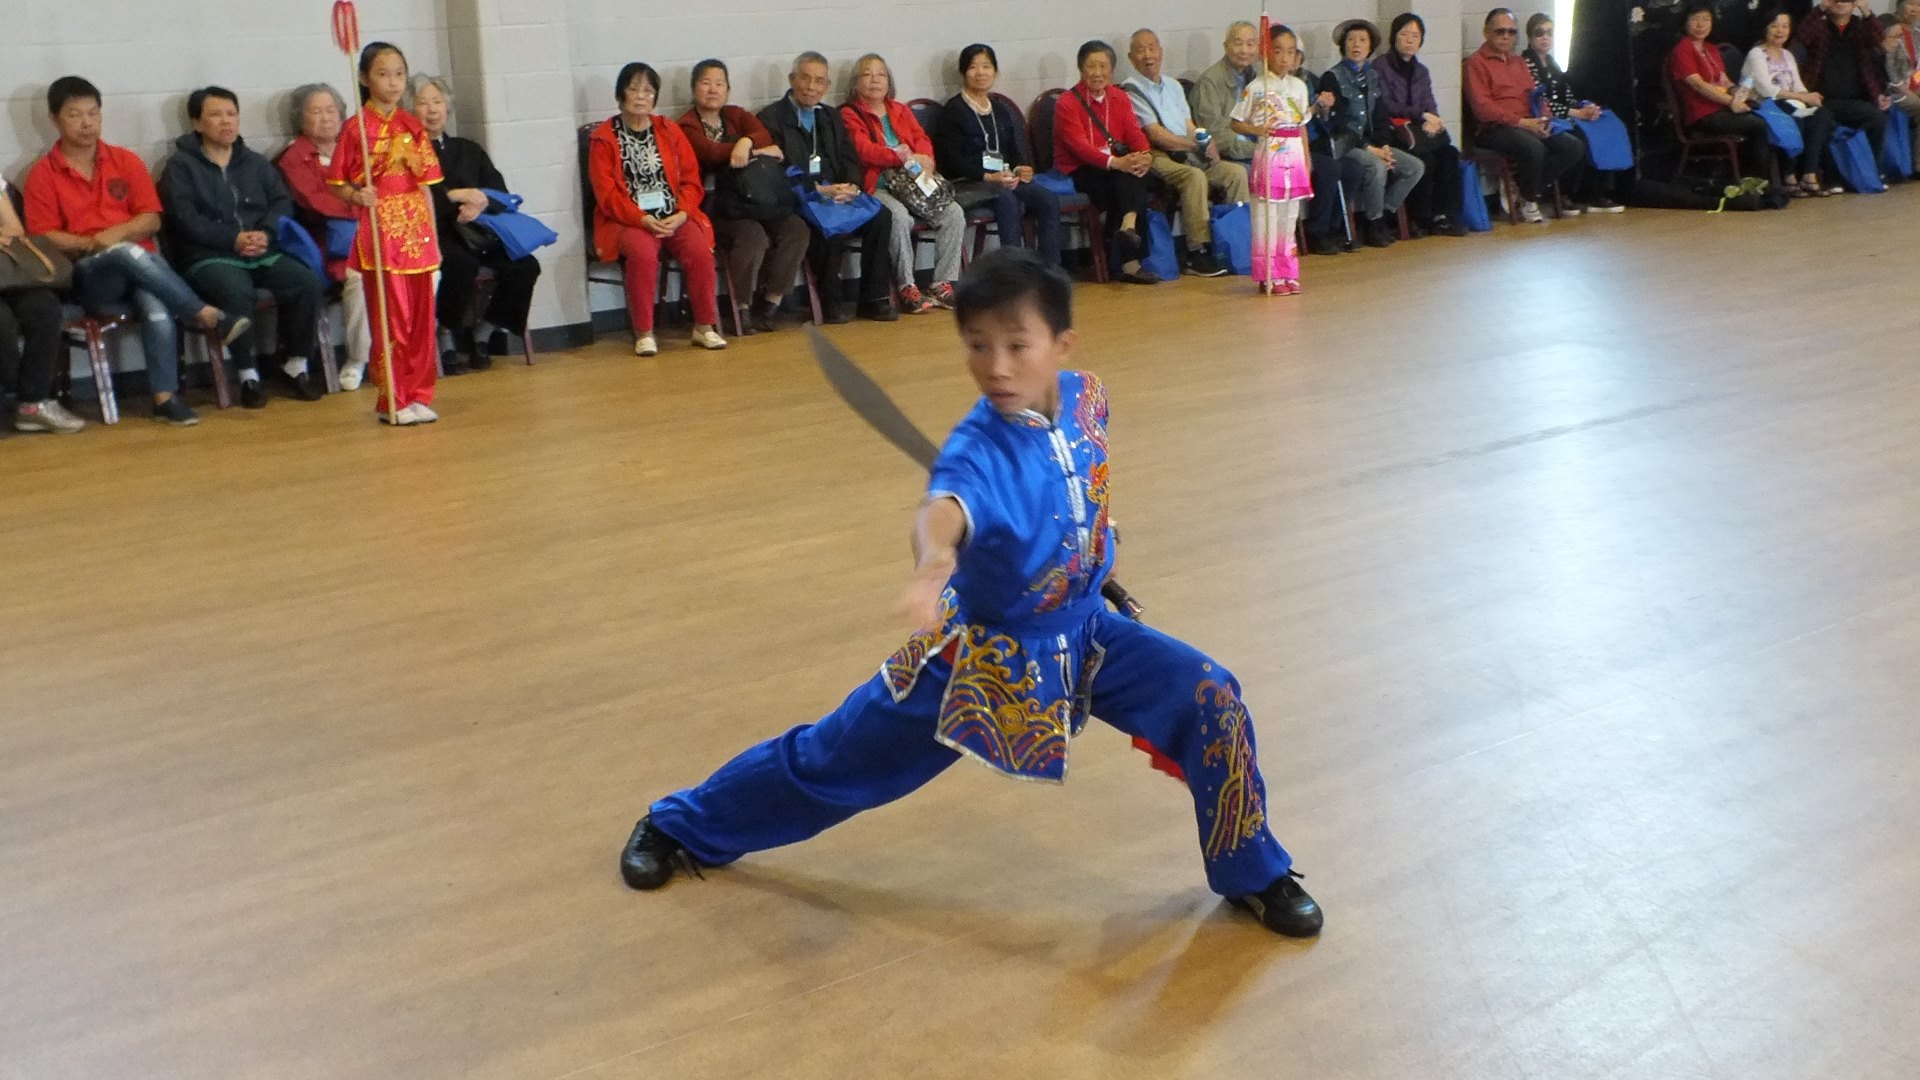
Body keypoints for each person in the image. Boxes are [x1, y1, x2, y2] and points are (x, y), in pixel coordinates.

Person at [618, 245, 1325, 941]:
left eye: (1017, 345)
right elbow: (943, 510)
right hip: (986, 652)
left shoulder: (1088, 399)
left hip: (1085, 631)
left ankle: (1253, 872)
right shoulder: (974, 448)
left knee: (1211, 694)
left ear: (1061, 344)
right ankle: (683, 822)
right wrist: (931, 568)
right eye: (978, 346)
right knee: (836, 760)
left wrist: (1089, 557)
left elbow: (1080, 492)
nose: (996, 367)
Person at [25, 76, 238, 427]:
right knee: (126, 255)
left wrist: (118, 233)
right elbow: (41, 235)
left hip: (142, 267)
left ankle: (164, 398)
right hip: (89, 275)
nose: (86, 123)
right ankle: (203, 312)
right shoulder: (43, 174)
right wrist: (90, 243)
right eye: (75, 115)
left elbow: (151, 218)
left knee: (155, 307)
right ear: (54, 120)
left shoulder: (124, 160)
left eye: (93, 113)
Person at [158, 86, 326, 410]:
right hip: (209, 255)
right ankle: (248, 375)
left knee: (305, 281)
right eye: (215, 114)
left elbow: (281, 202)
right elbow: (184, 218)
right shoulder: (180, 167)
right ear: (197, 123)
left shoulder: (255, 163)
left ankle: (296, 364)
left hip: (261, 249)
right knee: (235, 291)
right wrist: (230, 240)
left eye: (231, 114)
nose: (226, 122)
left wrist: (264, 232)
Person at [328, 41, 446, 426]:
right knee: (392, 319)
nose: (394, 83)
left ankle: (418, 393)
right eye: (383, 74)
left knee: (421, 320)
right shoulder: (355, 129)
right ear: (364, 78)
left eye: (399, 74)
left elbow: (425, 184)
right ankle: (392, 398)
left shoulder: (412, 125)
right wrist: (356, 195)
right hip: (380, 230)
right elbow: (337, 183)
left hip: (417, 230)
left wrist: (435, 239)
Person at [587, 62, 729, 358]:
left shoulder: (669, 130)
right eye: (634, 89)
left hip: (674, 214)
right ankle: (644, 332)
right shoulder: (603, 138)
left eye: (648, 91)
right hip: (628, 219)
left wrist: (682, 212)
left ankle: (704, 326)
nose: (641, 96)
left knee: (700, 249)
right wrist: (643, 219)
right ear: (620, 95)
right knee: (642, 254)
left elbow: (692, 181)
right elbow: (607, 195)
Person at [409, 75, 542, 374]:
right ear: (410, 111)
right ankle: (446, 332)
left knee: (525, 266)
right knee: (460, 264)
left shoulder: (468, 149)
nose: (432, 110)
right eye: (423, 103)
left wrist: (481, 199)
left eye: (438, 102)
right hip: (439, 232)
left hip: (481, 230)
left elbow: (501, 193)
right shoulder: (409, 154)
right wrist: (454, 196)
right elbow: (413, 199)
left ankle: (484, 331)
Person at [758, 52, 898, 324]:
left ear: (827, 86)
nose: (811, 86)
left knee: (882, 217)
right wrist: (818, 191)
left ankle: (873, 298)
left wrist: (852, 187)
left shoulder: (831, 117)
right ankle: (830, 301)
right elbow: (775, 173)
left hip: (838, 193)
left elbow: (849, 158)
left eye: (819, 81)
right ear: (792, 79)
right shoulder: (771, 118)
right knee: (825, 224)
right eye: (805, 78)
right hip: (800, 198)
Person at [676, 59, 811, 334]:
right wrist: (757, 150)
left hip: (755, 198)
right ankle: (742, 306)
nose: (713, 90)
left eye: (719, 83)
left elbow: (763, 133)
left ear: (727, 89)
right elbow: (711, 153)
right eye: (705, 83)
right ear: (693, 89)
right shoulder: (686, 125)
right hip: (715, 205)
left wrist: (747, 142)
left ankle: (771, 302)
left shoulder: (736, 115)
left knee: (796, 229)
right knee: (753, 237)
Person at [1192, 23, 1348, 257]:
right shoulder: (1212, 82)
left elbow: (1298, 122)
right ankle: (1246, 252)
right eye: (1238, 43)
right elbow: (1219, 133)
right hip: (1232, 155)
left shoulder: (1268, 77)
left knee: (1327, 168)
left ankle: (1316, 235)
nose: (1244, 50)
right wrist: (1259, 147)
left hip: (1279, 149)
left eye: (1250, 44)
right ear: (1225, 46)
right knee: (1257, 194)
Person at [841, 53, 968, 314]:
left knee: (953, 212)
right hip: (878, 184)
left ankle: (942, 283)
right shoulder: (849, 113)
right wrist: (902, 156)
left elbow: (921, 139)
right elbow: (864, 150)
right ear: (855, 83)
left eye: (881, 74)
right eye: (867, 74)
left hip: (912, 182)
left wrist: (925, 159)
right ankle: (906, 286)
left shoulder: (899, 110)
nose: (875, 80)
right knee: (898, 217)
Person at [1124, 28, 1247, 276]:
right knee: (1194, 177)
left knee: (1235, 172)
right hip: (1155, 155)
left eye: (1152, 48)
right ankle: (1196, 251)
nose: (1148, 55)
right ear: (1131, 57)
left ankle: (1235, 244)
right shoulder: (1130, 89)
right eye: (1140, 50)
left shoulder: (1173, 86)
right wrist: (1193, 147)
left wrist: (1206, 142)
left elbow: (1189, 126)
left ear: (1161, 52)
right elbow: (1155, 134)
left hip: (1187, 152)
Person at [277, 83, 373, 390]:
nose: (326, 118)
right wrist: (359, 202)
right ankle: (359, 358)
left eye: (331, 110)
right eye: (316, 112)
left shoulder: (360, 148)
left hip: (375, 235)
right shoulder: (293, 158)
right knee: (360, 277)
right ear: (300, 118)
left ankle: (404, 354)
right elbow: (316, 202)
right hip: (330, 246)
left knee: (421, 271)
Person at [935, 44, 1063, 267]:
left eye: (986, 66)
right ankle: (1013, 271)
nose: (980, 73)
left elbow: (1013, 151)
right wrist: (988, 177)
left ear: (995, 71)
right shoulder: (953, 110)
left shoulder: (1000, 109)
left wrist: (1020, 170)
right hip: (969, 182)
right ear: (963, 73)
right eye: (974, 67)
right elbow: (952, 160)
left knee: (1047, 199)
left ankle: (1049, 269)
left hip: (1003, 179)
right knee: (1007, 200)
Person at [1054, 41, 1160, 285]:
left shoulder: (1120, 97)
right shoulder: (1067, 102)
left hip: (1116, 167)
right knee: (1128, 178)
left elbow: (1135, 134)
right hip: (1079, 169)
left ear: (1112, 70)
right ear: (1081, 69)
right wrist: (1117, 162)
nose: (1097, 72)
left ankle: (1127, 228)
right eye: (1091, 66)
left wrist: (1145, 155)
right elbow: (1079, 148)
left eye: (1103, 66)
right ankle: (1129, 258)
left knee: (1135, 173)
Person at [1466, 8, 1587, 223]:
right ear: (1486, 32)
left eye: (1511, 32)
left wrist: (1544, 119)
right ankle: (1530, 198)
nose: (1506, 36)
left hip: (1529, 122)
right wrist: (1522, 123)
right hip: (1495, 128)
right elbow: (1482, 107)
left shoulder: (1518, 62)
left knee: (1572, 146)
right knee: (1533, 147)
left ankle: (1525, 189)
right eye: (1500, 31)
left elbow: (1536, 96)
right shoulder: (1477, 62)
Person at [1320, 19, 1426, 247]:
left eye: (1362, 40)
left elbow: (1380, 116)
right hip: (1347, 145)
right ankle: (1373, 222)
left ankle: (1385, 213)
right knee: (1375, 165)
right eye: (1350, 40)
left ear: (1370, 47)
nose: (1356, 44)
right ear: (1343, 45)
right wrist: (1371, 149)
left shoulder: (1373, 77)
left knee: (1414, 167)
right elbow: (1338, 124)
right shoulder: (1332, 77)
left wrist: (1385, 146)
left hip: (1373, 144)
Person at [1231, 25, 1315, 295]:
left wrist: (1307, 157)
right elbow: (1236, 122)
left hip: (1294, 154)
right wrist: (1257, 130)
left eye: (1290, 52)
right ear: (1267, 52)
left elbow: (1301, 125)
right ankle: (1269, 274)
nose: (1284, 58)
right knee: (1267, 215)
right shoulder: (1257, 87)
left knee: (1289, 216)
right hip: (1269, 152)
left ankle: (1288, 271)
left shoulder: (1299, 86)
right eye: (1278, 51)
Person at [0, 177, 85, 434]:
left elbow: (14, 228)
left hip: (6, 272)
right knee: (2, 321)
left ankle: (32, 405)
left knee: (44, 309)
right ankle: (13, 392)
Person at [1373, 14, 1470, 237]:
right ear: (1394, 37)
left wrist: (1433, 121)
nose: (1409, 40)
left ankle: (1445, 215)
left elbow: (1429, 101)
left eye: (1415, 36)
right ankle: (1420, 217)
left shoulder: (1421, 71)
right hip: (1393, 130)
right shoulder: (1380, 66)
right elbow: (1386, 104)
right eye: (1404, 34)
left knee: (1448, 153)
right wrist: (1421, 114)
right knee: (1425, 159)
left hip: (1419, 130)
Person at [1521, 14, 1628, 212]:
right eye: (1539, 33)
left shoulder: (1552, 63)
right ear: (1529, 37)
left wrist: (1586, 108)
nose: (1545, 38)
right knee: (1581, 137)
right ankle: (1567, 193)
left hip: (1568, 113)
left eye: (1549, 33)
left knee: (1609, 126)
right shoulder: (1526, 63)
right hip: (1547, 116)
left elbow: (1567, 95)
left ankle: (1597, 190)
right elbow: (1540, 102)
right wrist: (1576, 113)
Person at [1667, 2, 1774, 182]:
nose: (1701, 25)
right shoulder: (1682, 50)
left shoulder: (1711, 49)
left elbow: (1724, 80)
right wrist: (1731, 102)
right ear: (1685, 23)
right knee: (1759, 125)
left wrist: (1739, 92)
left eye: (1706, 19)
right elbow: (1699, 85)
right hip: (1703, 114)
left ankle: (1757, 179)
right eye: (1695, 20)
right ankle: (1758, 181)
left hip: (1723, 108)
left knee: (1766, 116)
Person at [1742, 9, 1843, 195]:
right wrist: (1802, 98)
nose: (1780, 30)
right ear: (1765, 28)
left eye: (1785, 26)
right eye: (1774, 26)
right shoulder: (1757, 54)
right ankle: (1788, 176)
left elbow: (1798, 85)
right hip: (1765, 105)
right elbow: (1766, 90)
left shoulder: (1788, 55)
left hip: (1789, 102)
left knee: (1822, 115)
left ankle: (1809, 174)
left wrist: (1810, 98)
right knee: (1795, 118)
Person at [1796, 0, 1891, 163]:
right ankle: (1829, 177)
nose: (1840, 4)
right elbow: (1802, 36)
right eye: (1836, 0)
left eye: (1847, 0)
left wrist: (1865, 10)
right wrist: (1821, 8)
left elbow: (1879, 38)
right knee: (1822, 124)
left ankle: (1871, 171)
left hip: (1854, 99)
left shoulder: (1860, 27)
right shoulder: (1820, 26)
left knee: (1877, 119)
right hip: (1822, 99)